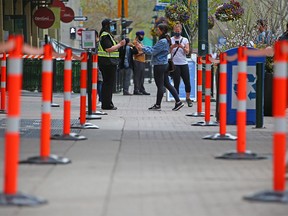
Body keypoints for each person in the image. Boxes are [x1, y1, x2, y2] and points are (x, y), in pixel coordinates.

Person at [135, 23, 184, 111]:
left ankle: (158, 105)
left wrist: (141, 48)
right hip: (163, 64)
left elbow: (153, 51)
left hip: (159, 65)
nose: (157, 31)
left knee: (160, 86)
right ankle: (178, 101)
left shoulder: (163, 41)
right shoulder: (164, 40)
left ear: (162, 30)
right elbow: (154, 48)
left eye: (158, 30)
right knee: (167, 84)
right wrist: (143, 47)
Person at [98, 18, 126, 110]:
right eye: (111, 25)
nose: (113, 27)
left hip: (108, 62)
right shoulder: (105, 35)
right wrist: (120, 44)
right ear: (107, 26)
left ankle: (107, 103)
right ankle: (106, 104)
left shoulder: (107, 35)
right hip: (107, 63)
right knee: (108, 84)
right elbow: (108, 49)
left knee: (108, 83)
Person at [170, 22, 193, 107]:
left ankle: (188, 98)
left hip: (183, 63)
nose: (177, 32)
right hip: (175, 64)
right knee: (176, 82)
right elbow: (167, 51)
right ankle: (177, 100)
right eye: (176, 30)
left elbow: (187, 51)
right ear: (173, 30)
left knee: (187, 81)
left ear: (181, 31)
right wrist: (172, 46)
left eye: (178, 30)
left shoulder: (185, 40)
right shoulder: (171, 40)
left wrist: (181, 47)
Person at [132, 31, 150, 95]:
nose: (142, 37)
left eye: (143, 35)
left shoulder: (140, 42)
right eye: (141, 35)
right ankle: (136, 89)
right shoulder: (135, 42)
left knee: (142, 76)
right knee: (137, 76)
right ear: (137, 35)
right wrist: (143, 52)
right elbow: (135, 53)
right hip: (137, 61)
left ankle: (141, 89)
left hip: (142, 61)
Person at [91, 30, 103, 106]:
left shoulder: (98, 44)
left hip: (98, 65)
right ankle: (94, 100)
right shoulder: (93, 44)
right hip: (94, 66)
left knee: (99, 83)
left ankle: (100, 100)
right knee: (95, 83)